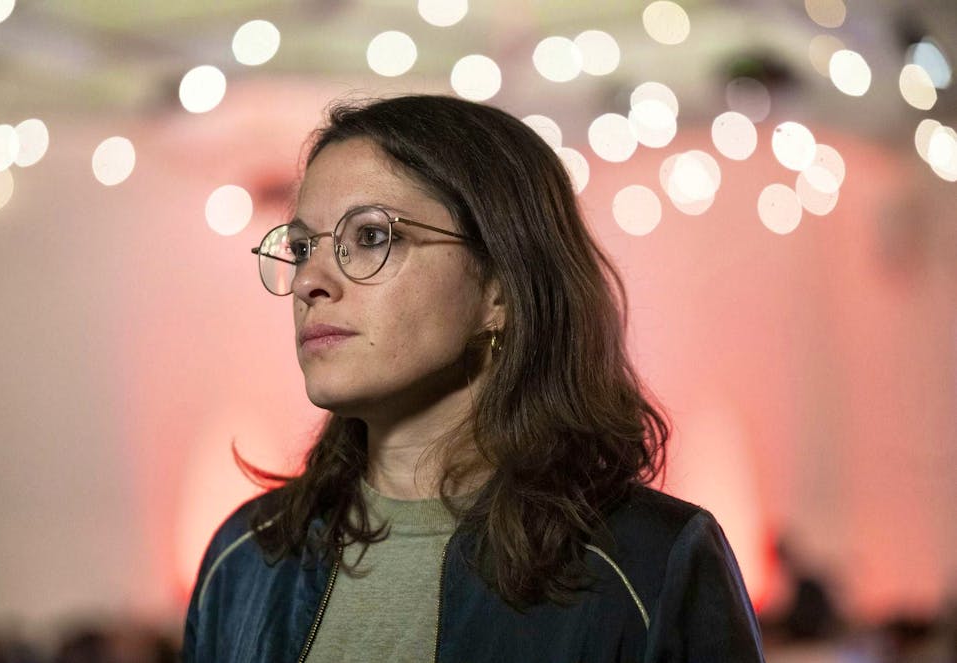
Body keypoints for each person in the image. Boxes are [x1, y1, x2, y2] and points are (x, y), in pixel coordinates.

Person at [182, 94, 765, 663]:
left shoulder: (652, 565)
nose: (311, 279)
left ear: (500, 289)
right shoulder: (245, 557)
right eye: (304, 245)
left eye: (372, 236)